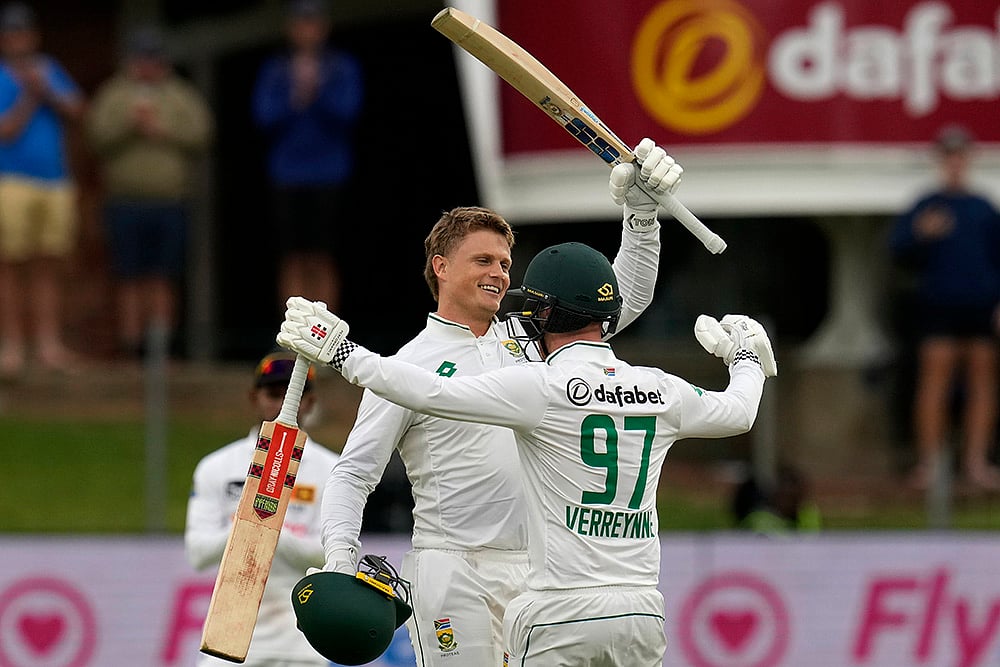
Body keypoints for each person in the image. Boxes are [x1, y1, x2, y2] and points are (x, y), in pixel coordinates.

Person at [276, 243, 776, 665]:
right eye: (483, 260)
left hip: (555, 605)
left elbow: (432, 392)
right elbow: (738, 411)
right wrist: (746, 355)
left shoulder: (540, 385)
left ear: (544, 314)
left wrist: (341, 352)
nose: (499, 276)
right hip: (640, 607)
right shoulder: (660, 388)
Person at [297, 142, 682, 665]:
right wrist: (340, 557)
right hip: (453, 567)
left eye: (504, 263)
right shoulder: (407, 363)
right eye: (483, 260)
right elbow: (354, 473)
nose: (500, 273)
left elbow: (619, 302)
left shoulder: (534, 340)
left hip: (541, 571)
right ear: (441, 266)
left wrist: (642, 217)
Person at [184, 351, 339, 666]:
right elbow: (198, 553)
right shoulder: (217, 466)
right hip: (227, 638)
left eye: (294, 395)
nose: (284, 404)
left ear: (310, 402)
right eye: (274, 394)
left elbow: (333, 557)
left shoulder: (333, 469)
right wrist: (249, 526)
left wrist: (270, 529)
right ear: (254, 397)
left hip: (301, 644)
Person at [86, 24, 214, 359]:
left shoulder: (180, 95)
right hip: (125, 202)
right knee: (129, 277)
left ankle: (160, 352)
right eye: (142, 58)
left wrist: (162, 129)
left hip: (170, 201)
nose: (148, 65)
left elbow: (203, 134)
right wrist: (130, 125)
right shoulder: (114, 93)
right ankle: (132, 350)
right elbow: (95, 135)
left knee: (163, 277)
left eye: (153, 58)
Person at [889, 125, 1000, 491]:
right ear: (941, 161)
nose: (955, 163)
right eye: (949, 156)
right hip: (938, 307)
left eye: (960, 156)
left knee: (982, 384)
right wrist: (921, 234)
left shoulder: (983, 208)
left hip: (980, 306)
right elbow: (898, 253)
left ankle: (976, 462)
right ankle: (931, 463)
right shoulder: (926, 206)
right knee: (934, 383)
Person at [252, 0, 363, 314]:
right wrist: (295, 94)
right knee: (292, 256)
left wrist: (318, 91)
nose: (307, 30)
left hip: (329, 174)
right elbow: (263, 116)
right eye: (301, 23)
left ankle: (325, 329)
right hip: (287, 175)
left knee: (322, 255)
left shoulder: (341, 67)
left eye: (313, 23)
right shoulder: (276, 70)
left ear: (324, 27)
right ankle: (293, 329)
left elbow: (349, 112)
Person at [0, 1, 84, 377]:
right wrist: (30, 96)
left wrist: (46, 89)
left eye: (23, 32)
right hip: (10, 181)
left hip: (55, 180)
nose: (19, 39)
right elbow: (6, 130)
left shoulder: (49, 69)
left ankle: (49, 344)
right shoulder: (2, 77)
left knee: (49, 263)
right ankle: (12, 346)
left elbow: (78, 110)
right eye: (11, 33)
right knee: (9, 265)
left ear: (33, 36)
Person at [731, 462, 822, 534]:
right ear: (775, 495)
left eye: (794, 498)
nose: (789, 503)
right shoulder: (759, 519)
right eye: (785, 497)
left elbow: (814, 539)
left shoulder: (808, 514)